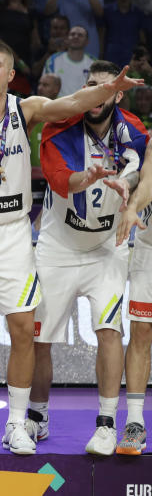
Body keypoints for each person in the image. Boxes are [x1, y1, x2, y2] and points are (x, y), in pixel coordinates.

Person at [0, 40, 143, 455]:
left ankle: (18, 423)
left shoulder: (28, 108)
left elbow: (75, 100)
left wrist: (111, 89)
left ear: (9, 75)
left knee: (24, 330)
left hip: (13, 233)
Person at [30, 60, 148, 455]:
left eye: (103, 88)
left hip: (106, 247)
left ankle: (106, 425)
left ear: (117, 93)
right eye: (89, 87)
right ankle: (36, 415)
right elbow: (61, 180)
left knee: (109, 331)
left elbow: (140, 172)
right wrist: (91, 177)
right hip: (59, 245)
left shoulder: (134, 130)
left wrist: (125, 182)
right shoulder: (59, 125)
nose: (94, 95)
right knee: (39, 339)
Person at [115, 132, 152, 455]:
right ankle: (136, 423)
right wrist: (133, 206)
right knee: (141, 331)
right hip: (149, 249)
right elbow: (148, 177)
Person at [42, 26, 96, 98]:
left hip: (85, 107)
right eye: (72, 34)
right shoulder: (53, 60)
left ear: (87, 41)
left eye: (80, 35)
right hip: (58, 106)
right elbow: (45, 87)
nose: (76, 37)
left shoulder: (95, 63)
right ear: (67, 39)